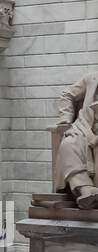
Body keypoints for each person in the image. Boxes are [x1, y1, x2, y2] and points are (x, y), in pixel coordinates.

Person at [54, 74, 98, 208]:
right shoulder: (92, 78)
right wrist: (66, 119)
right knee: (68, 144)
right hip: (84, 128)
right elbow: (67, 95)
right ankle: (85, 190)